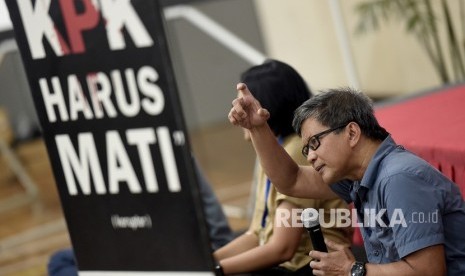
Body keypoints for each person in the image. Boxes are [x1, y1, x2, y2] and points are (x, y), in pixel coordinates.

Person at [228, 84, 465, 275]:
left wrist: (352, 269)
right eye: (306, 149)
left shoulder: (398, 178)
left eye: (315, 143)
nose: (310, 156)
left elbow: (428, 271)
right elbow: (291, 181)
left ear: (352, 133)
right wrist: (257, 127)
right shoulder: (358, 175)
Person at [214, 60, 352, 275]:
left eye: (243, 104)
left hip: (310, 267)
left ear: (266, 106)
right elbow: (257, 235)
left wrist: (213, 270)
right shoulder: (273, 149)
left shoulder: (298, 150)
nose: (235, 110)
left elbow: (283, 249)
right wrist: (205, 262)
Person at [48, 157, 234, 275]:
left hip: (184, 253)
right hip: (137, 248)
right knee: (60, 261)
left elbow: (218, 230)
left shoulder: (167, 149)